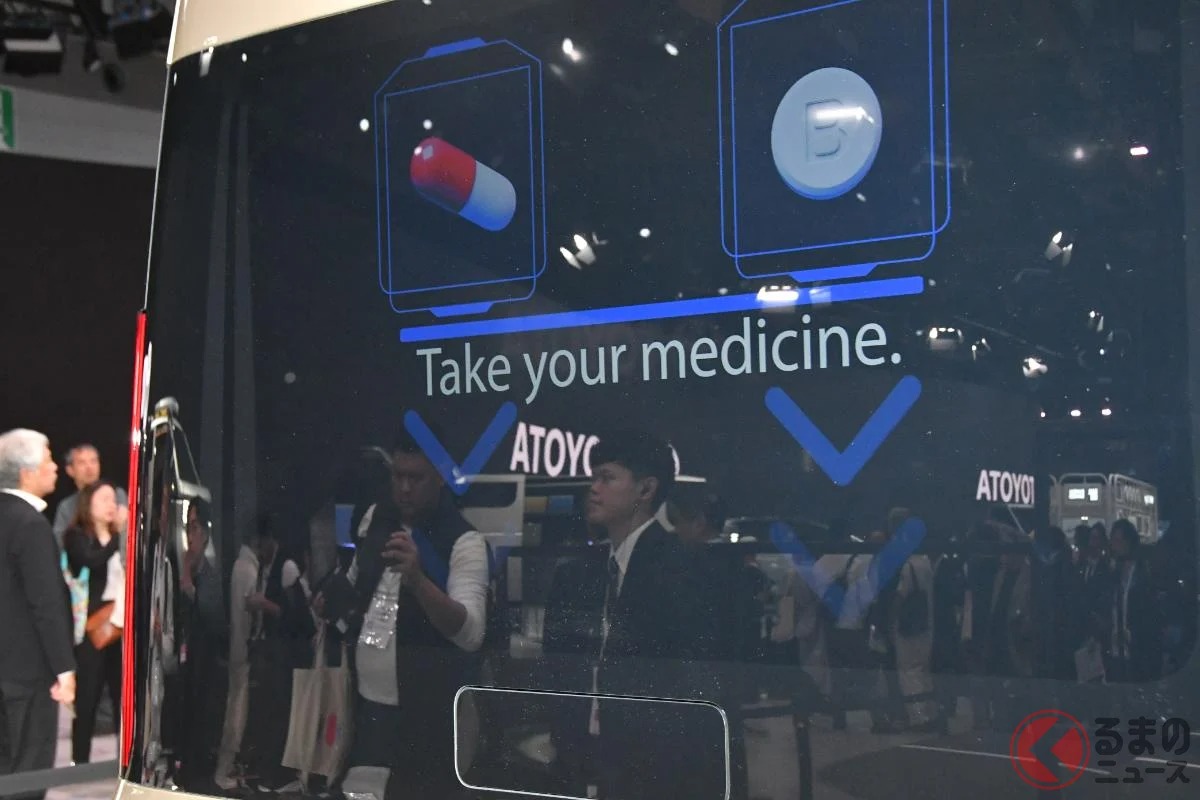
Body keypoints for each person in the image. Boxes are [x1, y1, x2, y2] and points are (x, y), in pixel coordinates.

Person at [542, 430, 721, 800]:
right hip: (584, 761)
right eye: (594, 477)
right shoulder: (578, 573)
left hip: (651, 770)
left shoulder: (683, 570)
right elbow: (559, 671)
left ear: (646, 489)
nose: (593, 489)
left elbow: (690, 686)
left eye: (607, 478)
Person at [323, 429, 490, 800]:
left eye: (416, 478)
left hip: (426, 714)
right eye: (398, 476)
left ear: (441, 478)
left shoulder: (464, 541)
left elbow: (471, 634)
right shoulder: (376, 519)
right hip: (365, 706)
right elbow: (355, 580)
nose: (404, 488)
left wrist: (418, 580)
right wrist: (333, 599)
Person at [0, 429, 76, 798]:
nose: (55, 467)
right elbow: (46, 603)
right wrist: (64, 668)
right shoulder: (30, 524)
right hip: (29, 675)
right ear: (26, 472)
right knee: (28, 773)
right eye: (48, 459)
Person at [62, 481, 126, 765]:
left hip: (119, 625)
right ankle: (80, 761)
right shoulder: (76, 535)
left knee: (121, 695)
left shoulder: (120, 536)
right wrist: (116, 538)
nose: (112, 505)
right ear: (88, 504)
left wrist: (121, 536)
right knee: (87, 697)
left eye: (114, 499)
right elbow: (92, 561)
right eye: (104, 500)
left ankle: (124, 760)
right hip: (91, 627)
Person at [213, 516, 279, 791]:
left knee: (237, 708)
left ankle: (228, 767)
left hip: (239, 649)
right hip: (243, 651)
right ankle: (224, 770)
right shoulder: (247, 569)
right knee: (236, 711)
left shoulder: (243, 566)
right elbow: (248, 614)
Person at [52, 445, 127, 546]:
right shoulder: (66, 506)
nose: (89, 467)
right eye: (82, 463)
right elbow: (58, 542)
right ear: (70, 470)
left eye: (93, 461)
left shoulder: (117, 494)